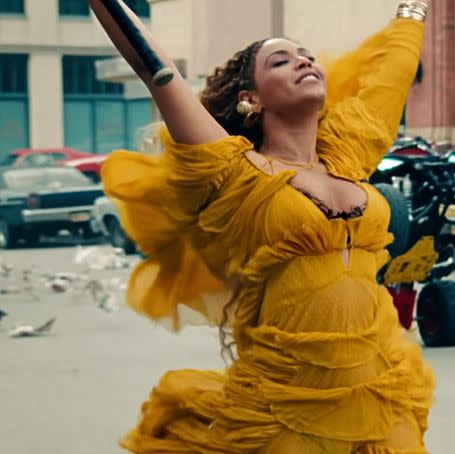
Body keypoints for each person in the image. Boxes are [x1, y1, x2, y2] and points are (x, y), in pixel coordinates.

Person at [89, 1, 435, 452]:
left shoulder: (348, 153)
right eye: (281, 60)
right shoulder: (232, 175)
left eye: (305, 55)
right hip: (287, 410)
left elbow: (394, 72)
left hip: (383, 394)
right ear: (250, 99)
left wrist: (414, 9)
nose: (304, 61)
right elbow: (158, 68)